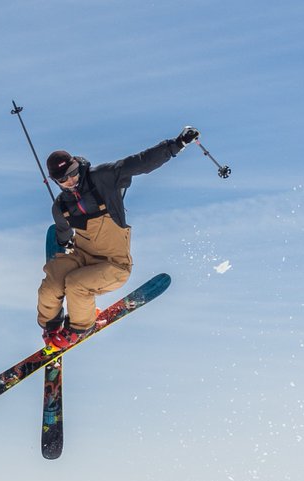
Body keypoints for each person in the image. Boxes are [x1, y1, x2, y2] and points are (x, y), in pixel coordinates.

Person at [38, 126, 200, 349]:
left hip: (113, 265)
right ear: (55, 182)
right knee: (52, 283)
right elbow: (63, 234)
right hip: (82, 256)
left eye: (73, 173)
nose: (71, 180)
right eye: (63, 180)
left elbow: (141, 162)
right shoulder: (61, 205)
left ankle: (80, 328)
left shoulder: (103, 177)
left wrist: (177, 144)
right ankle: (51, 325)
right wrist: (61, 251)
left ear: (78, 164)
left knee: (76, 284)